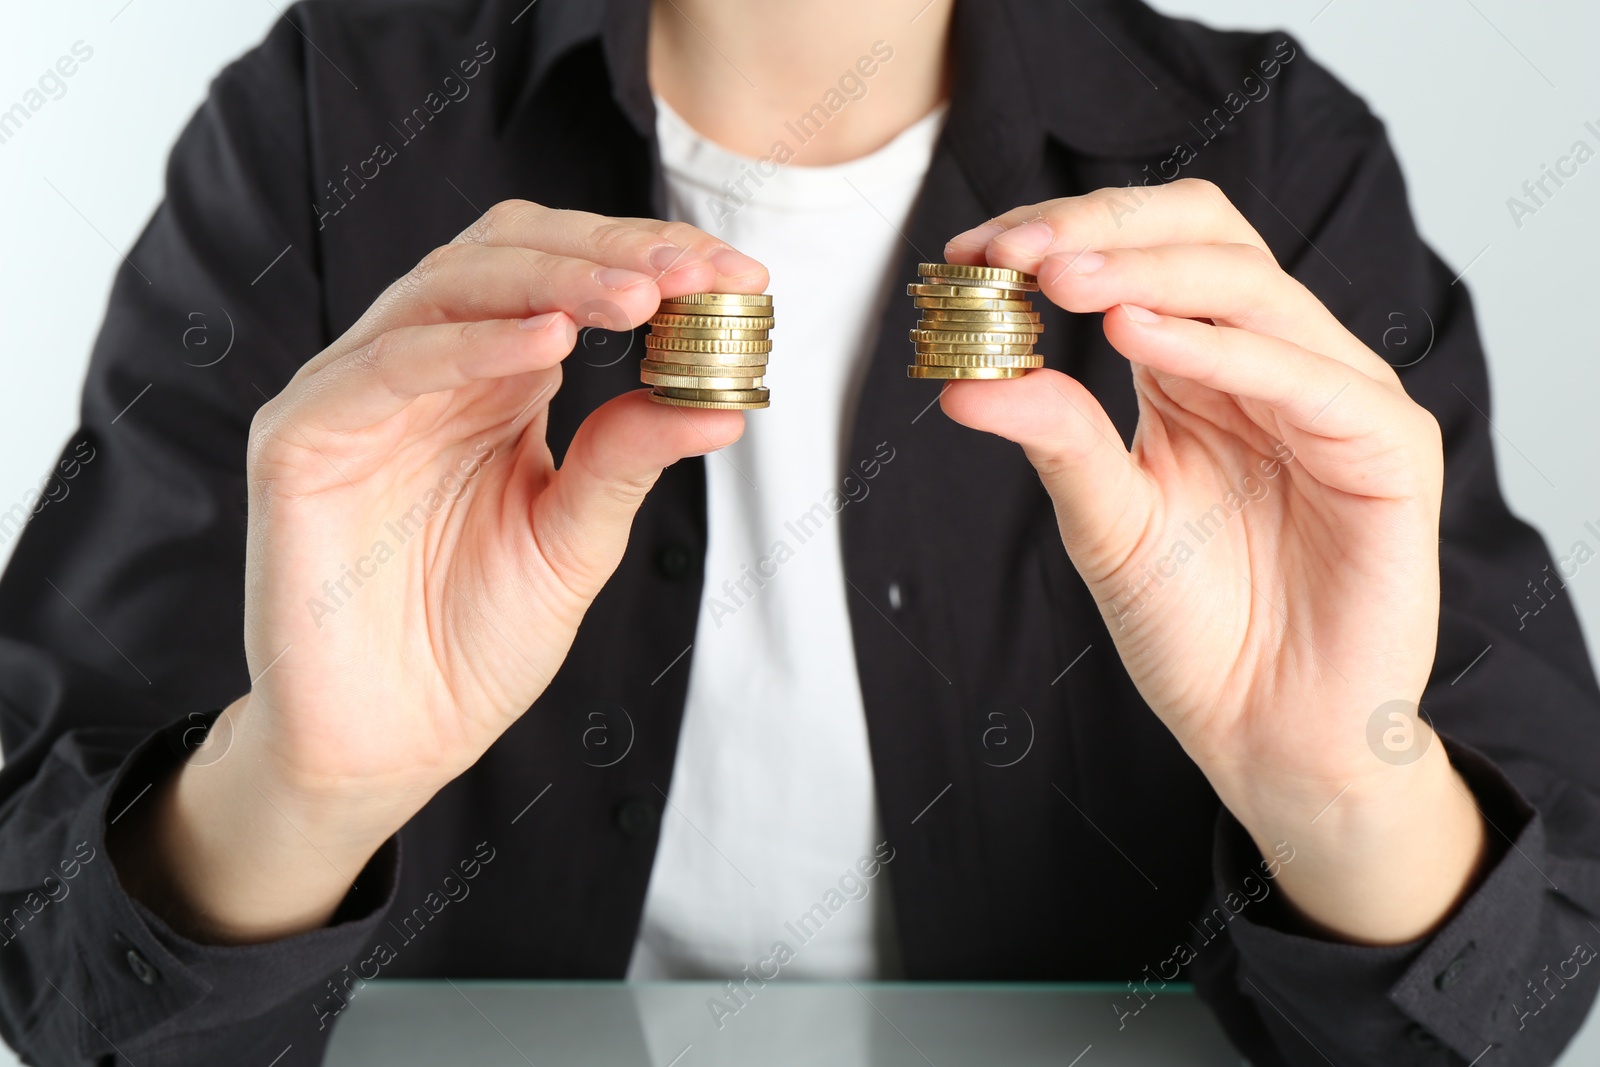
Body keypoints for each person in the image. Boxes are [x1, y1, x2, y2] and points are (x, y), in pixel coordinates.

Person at [1, 0, 1596, 1063]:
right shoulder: (325, 119)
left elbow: (1533, 981)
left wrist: (1342, 793)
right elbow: (58, 969)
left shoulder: (1275, 154)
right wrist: (296, 793)